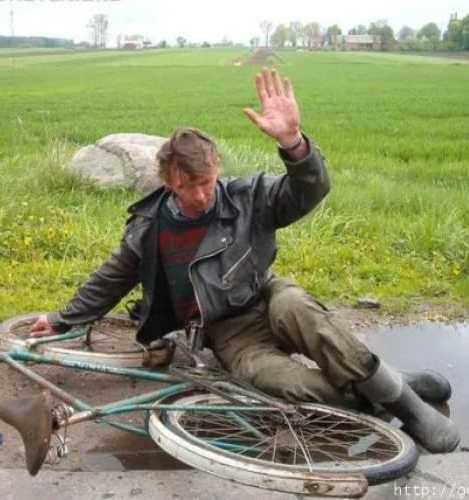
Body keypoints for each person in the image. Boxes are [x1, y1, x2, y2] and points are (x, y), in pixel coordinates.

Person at [30, 68, 459, 453]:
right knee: (283, 383)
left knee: (305, 314)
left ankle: (410, 408)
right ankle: (394, 389)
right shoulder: (149, 229)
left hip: (267, 297)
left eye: (206, 181)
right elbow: (111, 278)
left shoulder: (248, 197)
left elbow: (308, 191)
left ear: (217, 167)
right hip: (230, 332)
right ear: (168, 180)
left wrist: (293, 144)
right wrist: (62, 319)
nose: (201, 194)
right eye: (188, 186)